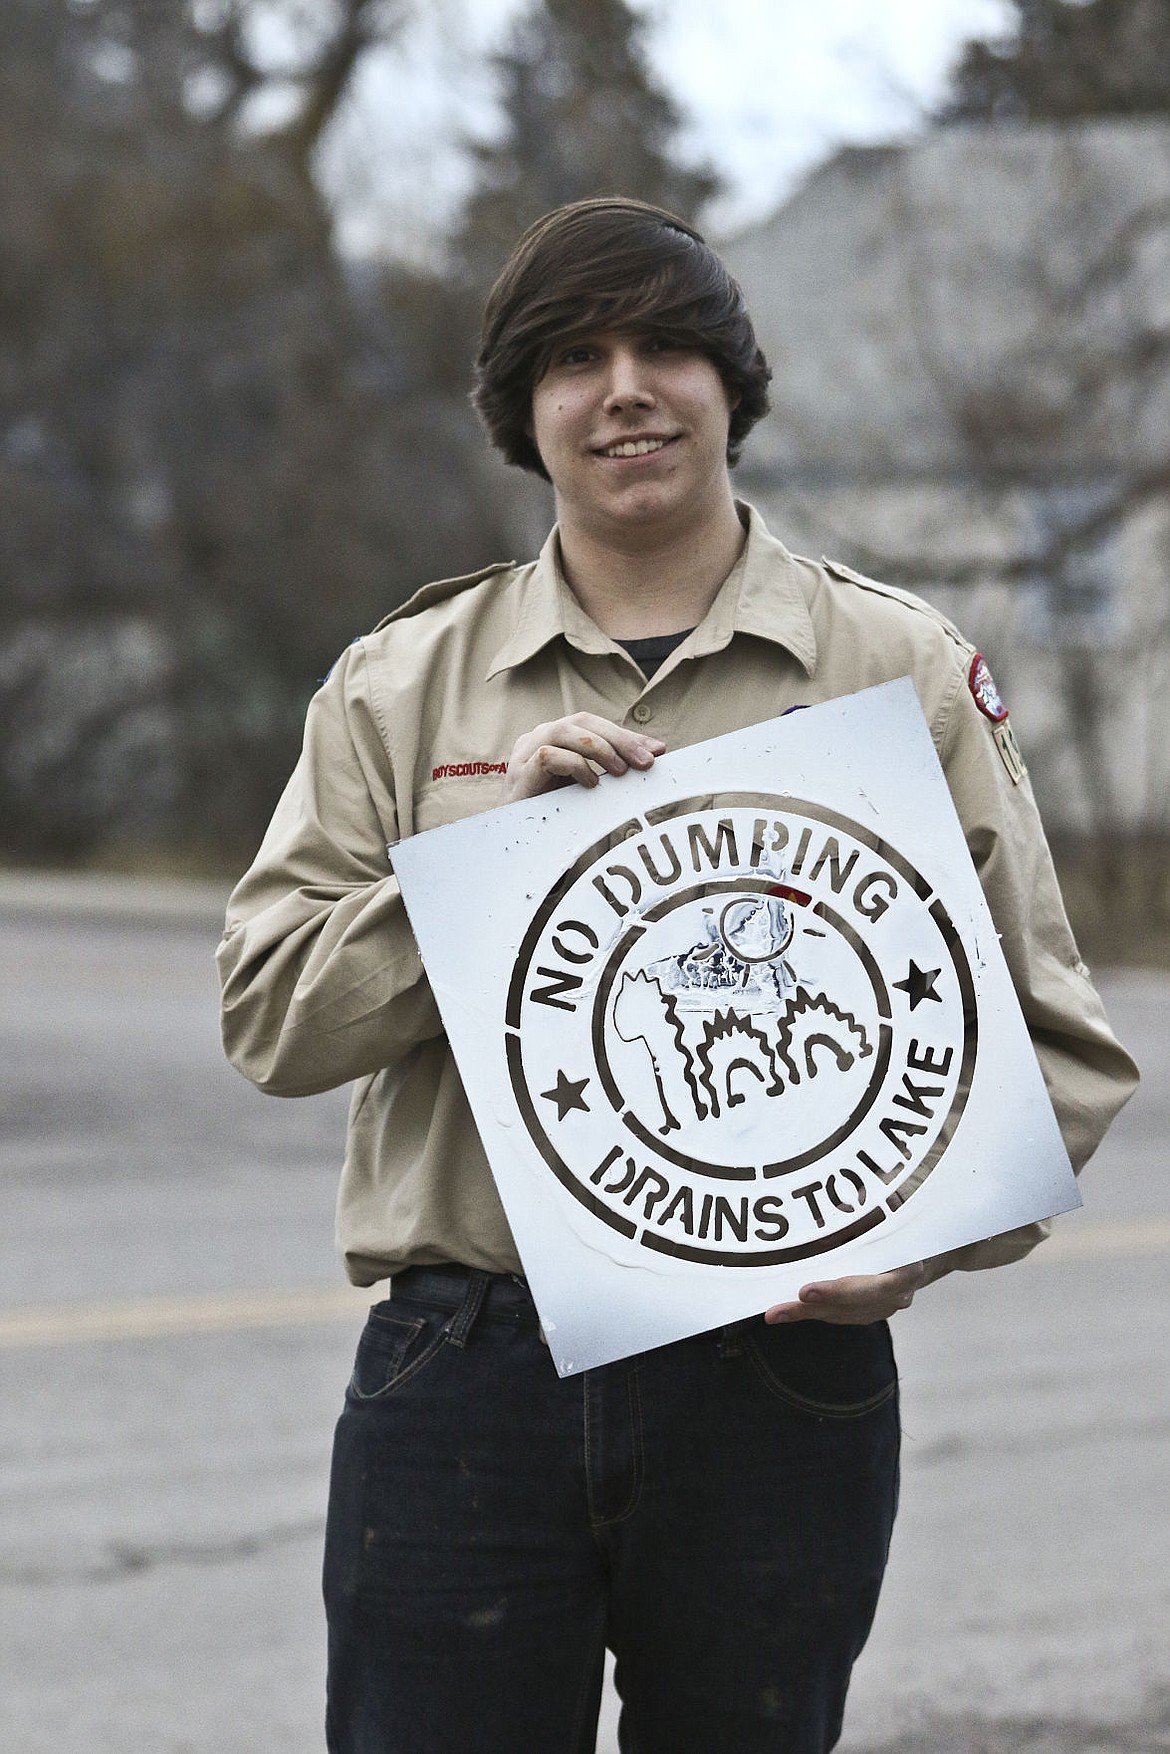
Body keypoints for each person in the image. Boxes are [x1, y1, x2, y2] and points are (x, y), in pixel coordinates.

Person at [217, 197, 1138, 1754]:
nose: (625, 388)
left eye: (666, 347)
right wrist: (478, 869)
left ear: (732, 384)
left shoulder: (890, 666)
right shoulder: (400, 684)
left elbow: (1055, 1047)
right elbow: (270, 1020)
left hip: (780, 1375)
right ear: (522, 412)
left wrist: (917, 1246)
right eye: (574, 357)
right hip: (467, 1368)